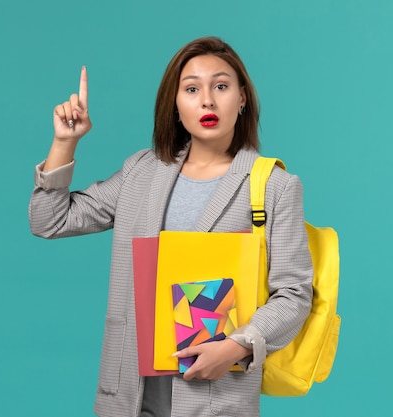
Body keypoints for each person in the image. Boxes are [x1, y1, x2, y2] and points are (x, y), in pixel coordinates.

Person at [29, 36, 313, 417]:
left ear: (242, 98)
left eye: (221, 86)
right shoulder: (141, 172)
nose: (207, 100)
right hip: (128, 397)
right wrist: (64, 143)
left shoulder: (274, 186)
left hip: (215, 398)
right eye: (192, 88)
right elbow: (49, 220)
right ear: (176, 104)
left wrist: (236, 346)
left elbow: (294, 293)